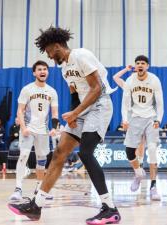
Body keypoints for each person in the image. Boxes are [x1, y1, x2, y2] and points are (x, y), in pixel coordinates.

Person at [8, 26, 121, 224]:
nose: (50, 57)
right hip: (83, 109)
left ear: (57, 45)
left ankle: (110, 208)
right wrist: (73, 115)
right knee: (59, 152)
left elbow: (97, 88)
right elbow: (75, 95)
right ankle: (36, 206)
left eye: (50, 52)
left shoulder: (81, 55)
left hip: (100, 105)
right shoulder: (64, 69)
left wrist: (76, 112)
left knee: (85, 152)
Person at [9, 60, 59, 201]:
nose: (42, 71)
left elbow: (54, 113)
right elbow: (20, 110)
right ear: (34, 73)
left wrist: (54, 128)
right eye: (39, 69)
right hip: (28, 129)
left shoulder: (52, 91)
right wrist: (23, 128)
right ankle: (18, 189)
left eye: (45, 69)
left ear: (47, 72)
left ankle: (39, 189)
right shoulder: (27, 89)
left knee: (41, 161)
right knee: (23, 155)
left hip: (43, 131)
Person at [121, 55, 163, 201]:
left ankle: (153, 186)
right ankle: (138, 173)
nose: (140, 65)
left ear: (147, 66)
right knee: (129, 151)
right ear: (135, 66)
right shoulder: (130, 80)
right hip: (135, 117)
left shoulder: (154, 80)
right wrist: (125, 119)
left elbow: (160, 103)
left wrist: (159, 119)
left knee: (151, 149)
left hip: (151, 117)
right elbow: (125, 103)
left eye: (143, 63)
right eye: (138, 63)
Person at [113, 65, 146, 166]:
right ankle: (136, 162)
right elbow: (115, 77)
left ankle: (140, 160)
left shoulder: (143, 87)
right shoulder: (126, 85)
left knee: (141, 139)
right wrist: (126, 69)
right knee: (133, 141)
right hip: (130, 116)